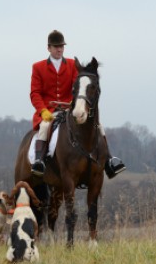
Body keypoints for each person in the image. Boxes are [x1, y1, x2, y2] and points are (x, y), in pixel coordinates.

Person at [29, 30, 126, 178]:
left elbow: (78, 88)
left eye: (61, 46)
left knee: (98, 126)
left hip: (71, 108)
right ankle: (39, 161)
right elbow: (35, 93)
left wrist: (74, 105)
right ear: (49, 48)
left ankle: (109, 161)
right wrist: (42, 111)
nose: (59, 49)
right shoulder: (38, 67)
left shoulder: (72, 64)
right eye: (56, 47)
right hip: (49, 111)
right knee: (44, 127)